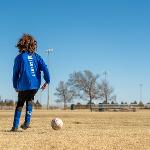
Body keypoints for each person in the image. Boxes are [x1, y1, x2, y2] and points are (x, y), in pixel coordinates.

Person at [11, 33, 50, 132]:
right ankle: (27, 122)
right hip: (35, 85)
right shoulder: (37, 57)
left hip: (23, 85)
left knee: (20, 104)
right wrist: (47, 80)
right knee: (29, 101)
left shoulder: (19, 58)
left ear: (21, 44)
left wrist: (15, 85)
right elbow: (45, 68)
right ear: (33, 45)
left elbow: (15, 73)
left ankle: (15, 127)